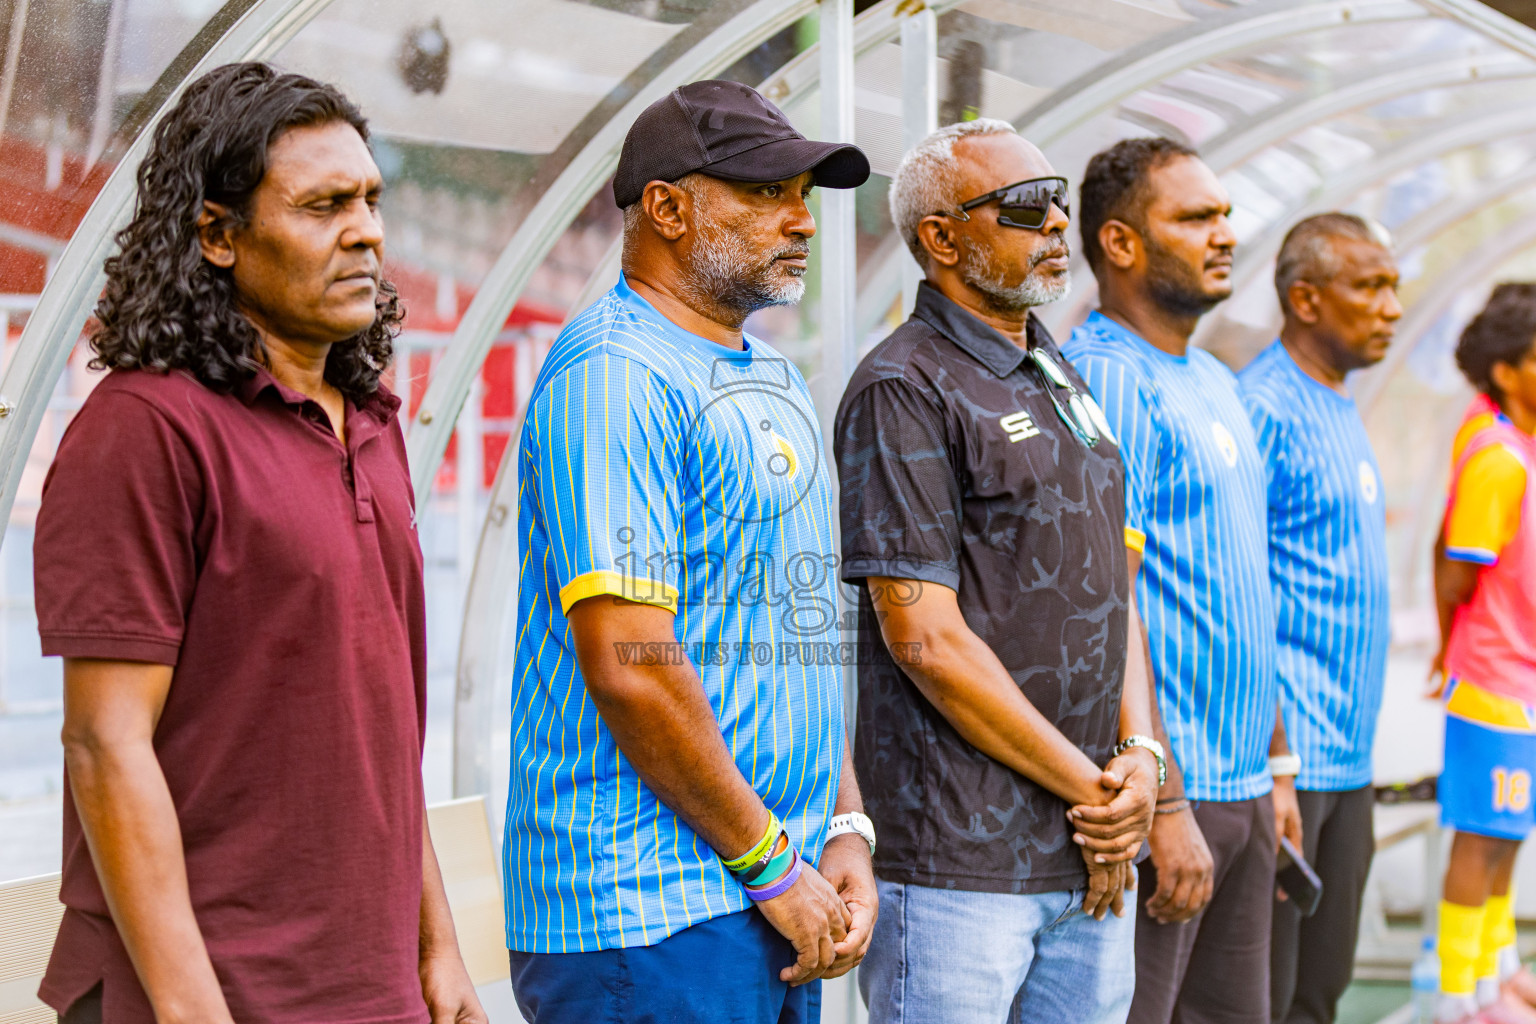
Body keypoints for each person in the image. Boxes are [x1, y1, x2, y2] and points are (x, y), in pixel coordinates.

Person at [30, 63, 484, 1024]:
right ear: (218, 235)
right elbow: (105, 744)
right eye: (324, 206)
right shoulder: (144, 429)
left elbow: (380, 732)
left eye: (369, 200)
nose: (365, 231)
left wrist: (437, 949)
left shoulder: (373, 422)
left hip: (371, 991)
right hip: (204, 994)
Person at [502, 79, 876, 1024]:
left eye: (803, 195)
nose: (802, 220)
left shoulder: (773, 373)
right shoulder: (615, 373)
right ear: (667, 209)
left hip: (771, 889)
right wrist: (771, 865)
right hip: (646, 912)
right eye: (766, 192)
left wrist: (843, 825)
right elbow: (632, 665)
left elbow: (797, 631)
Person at [833, 118, 1161, 1024]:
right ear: (941, 238)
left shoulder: (1052, 364)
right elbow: (924, 639)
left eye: (1057, 199)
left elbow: (1111, 581)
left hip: (1087, 850)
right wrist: (1099, 796)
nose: (1056, 221)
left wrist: (1141, 759)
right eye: (1024, 206)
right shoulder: (904, 385)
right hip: (960, 867)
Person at [1063, 136, 1289, 1024]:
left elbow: (1245, 587)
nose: (1224, 234)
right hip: (1174, 795)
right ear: (1120, 243)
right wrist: (1165, 799)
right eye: (1196, 218)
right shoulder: (1110, 376)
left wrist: (1277, 768)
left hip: (1243, 790)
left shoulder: (1214, 378)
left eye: (1225, 214)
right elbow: (1106, 599)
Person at [1238, 213, 1400, 1024]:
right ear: (1305, 299)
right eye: (1370, 287)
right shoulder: (1262, 407)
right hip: (1288, 760)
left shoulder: (1339, 400)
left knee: (1321, 990)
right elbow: (1236, 586)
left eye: (1394, 287)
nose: (1392, 307)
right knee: (1271, 996)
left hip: (1349, 757)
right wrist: (1275, 762)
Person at [1430, 283, 1536, 1024]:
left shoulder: (1521, 444)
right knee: (1481, 838)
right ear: (1507, 371)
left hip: (1520, 679)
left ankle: (1496, 974)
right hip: (1493, 679)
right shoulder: (1497, 457)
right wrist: (1448, 653)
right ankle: (1455, 996)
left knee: (1509, 834)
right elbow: (1454, 568)